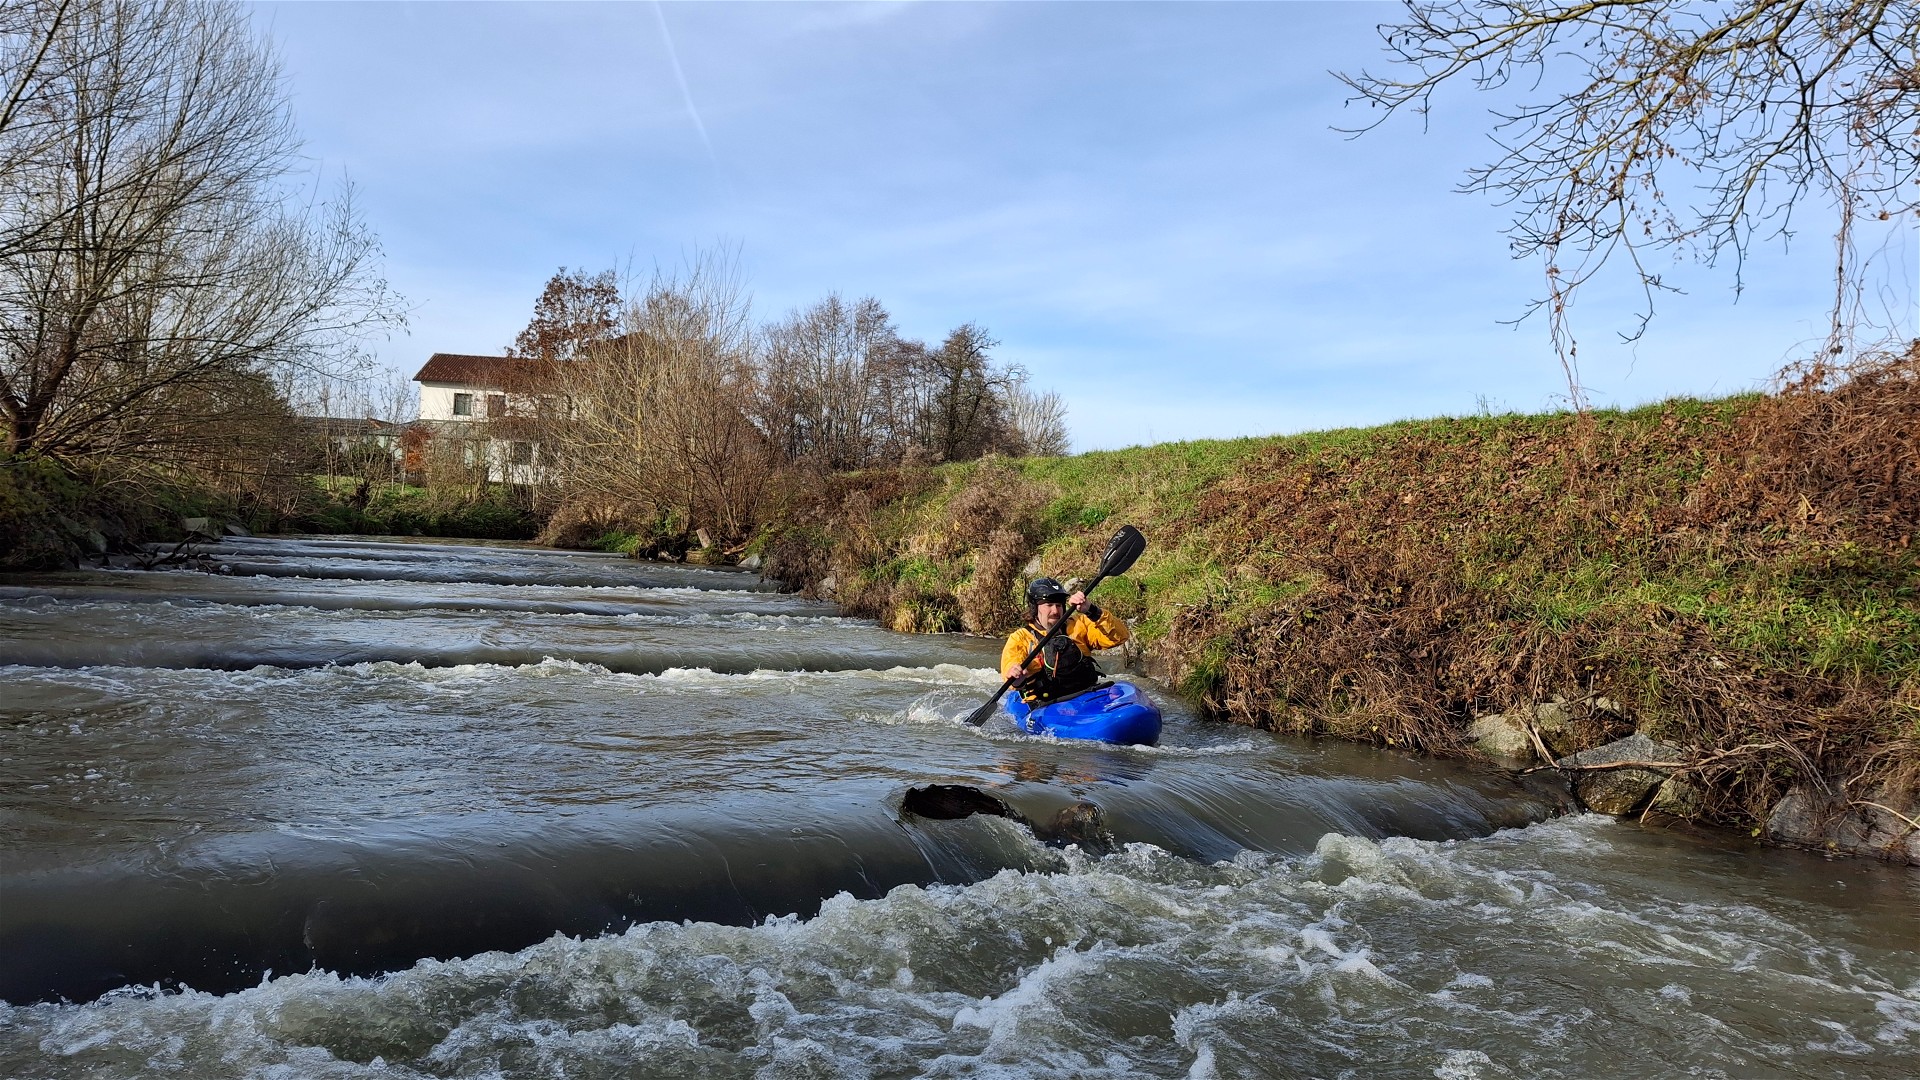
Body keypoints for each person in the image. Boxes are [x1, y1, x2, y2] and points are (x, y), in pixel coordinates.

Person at [1001, 576, 1130, 706]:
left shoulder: (1078, 624)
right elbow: (1011, 675)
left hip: (1087, 695)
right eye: (1049, 605)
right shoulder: (1020, 638)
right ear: (1034, 608)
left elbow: (1120, 637)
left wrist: (1092, 610)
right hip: (1047, 704)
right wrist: (1016, 678)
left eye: (1058, 605)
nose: (1055, 611)